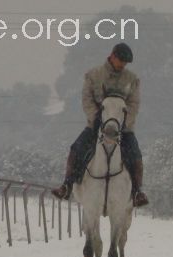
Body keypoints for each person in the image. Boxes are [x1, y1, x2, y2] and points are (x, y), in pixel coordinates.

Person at [51, 43, 149, 207]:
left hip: (122, 129)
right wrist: (97, 119)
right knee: (76, 149)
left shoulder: (132, 80)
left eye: (125, 63)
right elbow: (87, 100)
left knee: (136, 155)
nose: (123, 65)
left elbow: (134, 104)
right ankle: (67, 185)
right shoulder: (93, 75)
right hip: (96, 125)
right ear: (113, 56)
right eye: (121, 61)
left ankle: (137, 191)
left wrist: (122, 123)